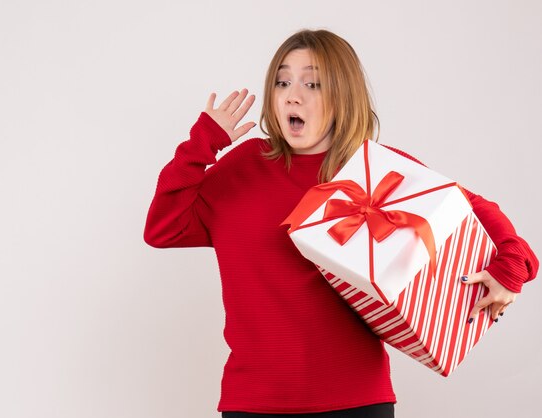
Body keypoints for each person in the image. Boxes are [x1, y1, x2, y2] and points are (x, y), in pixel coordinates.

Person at [143, 29, 538, 418]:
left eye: (312, 83)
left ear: (342, 97)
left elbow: (470, 205)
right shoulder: (243, 166)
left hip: (357, 403)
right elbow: (163, 229)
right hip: (253, 403)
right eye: (282, 81)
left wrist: (512, 266)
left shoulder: (372, 168)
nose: (292, 94)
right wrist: (203, 143)